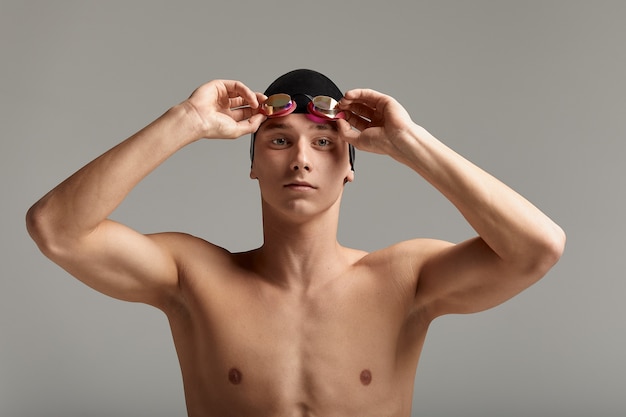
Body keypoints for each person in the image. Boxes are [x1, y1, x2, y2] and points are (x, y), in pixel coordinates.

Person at [26, 69, 566, 417]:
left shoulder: (404, 281)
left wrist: (409, 142)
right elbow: (56, 228)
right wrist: (186, 120)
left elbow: (538, 246)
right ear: (254, 163)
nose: (301, 159)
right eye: (280, 141)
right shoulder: (193, 277)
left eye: (325, 144)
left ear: (351, 168)